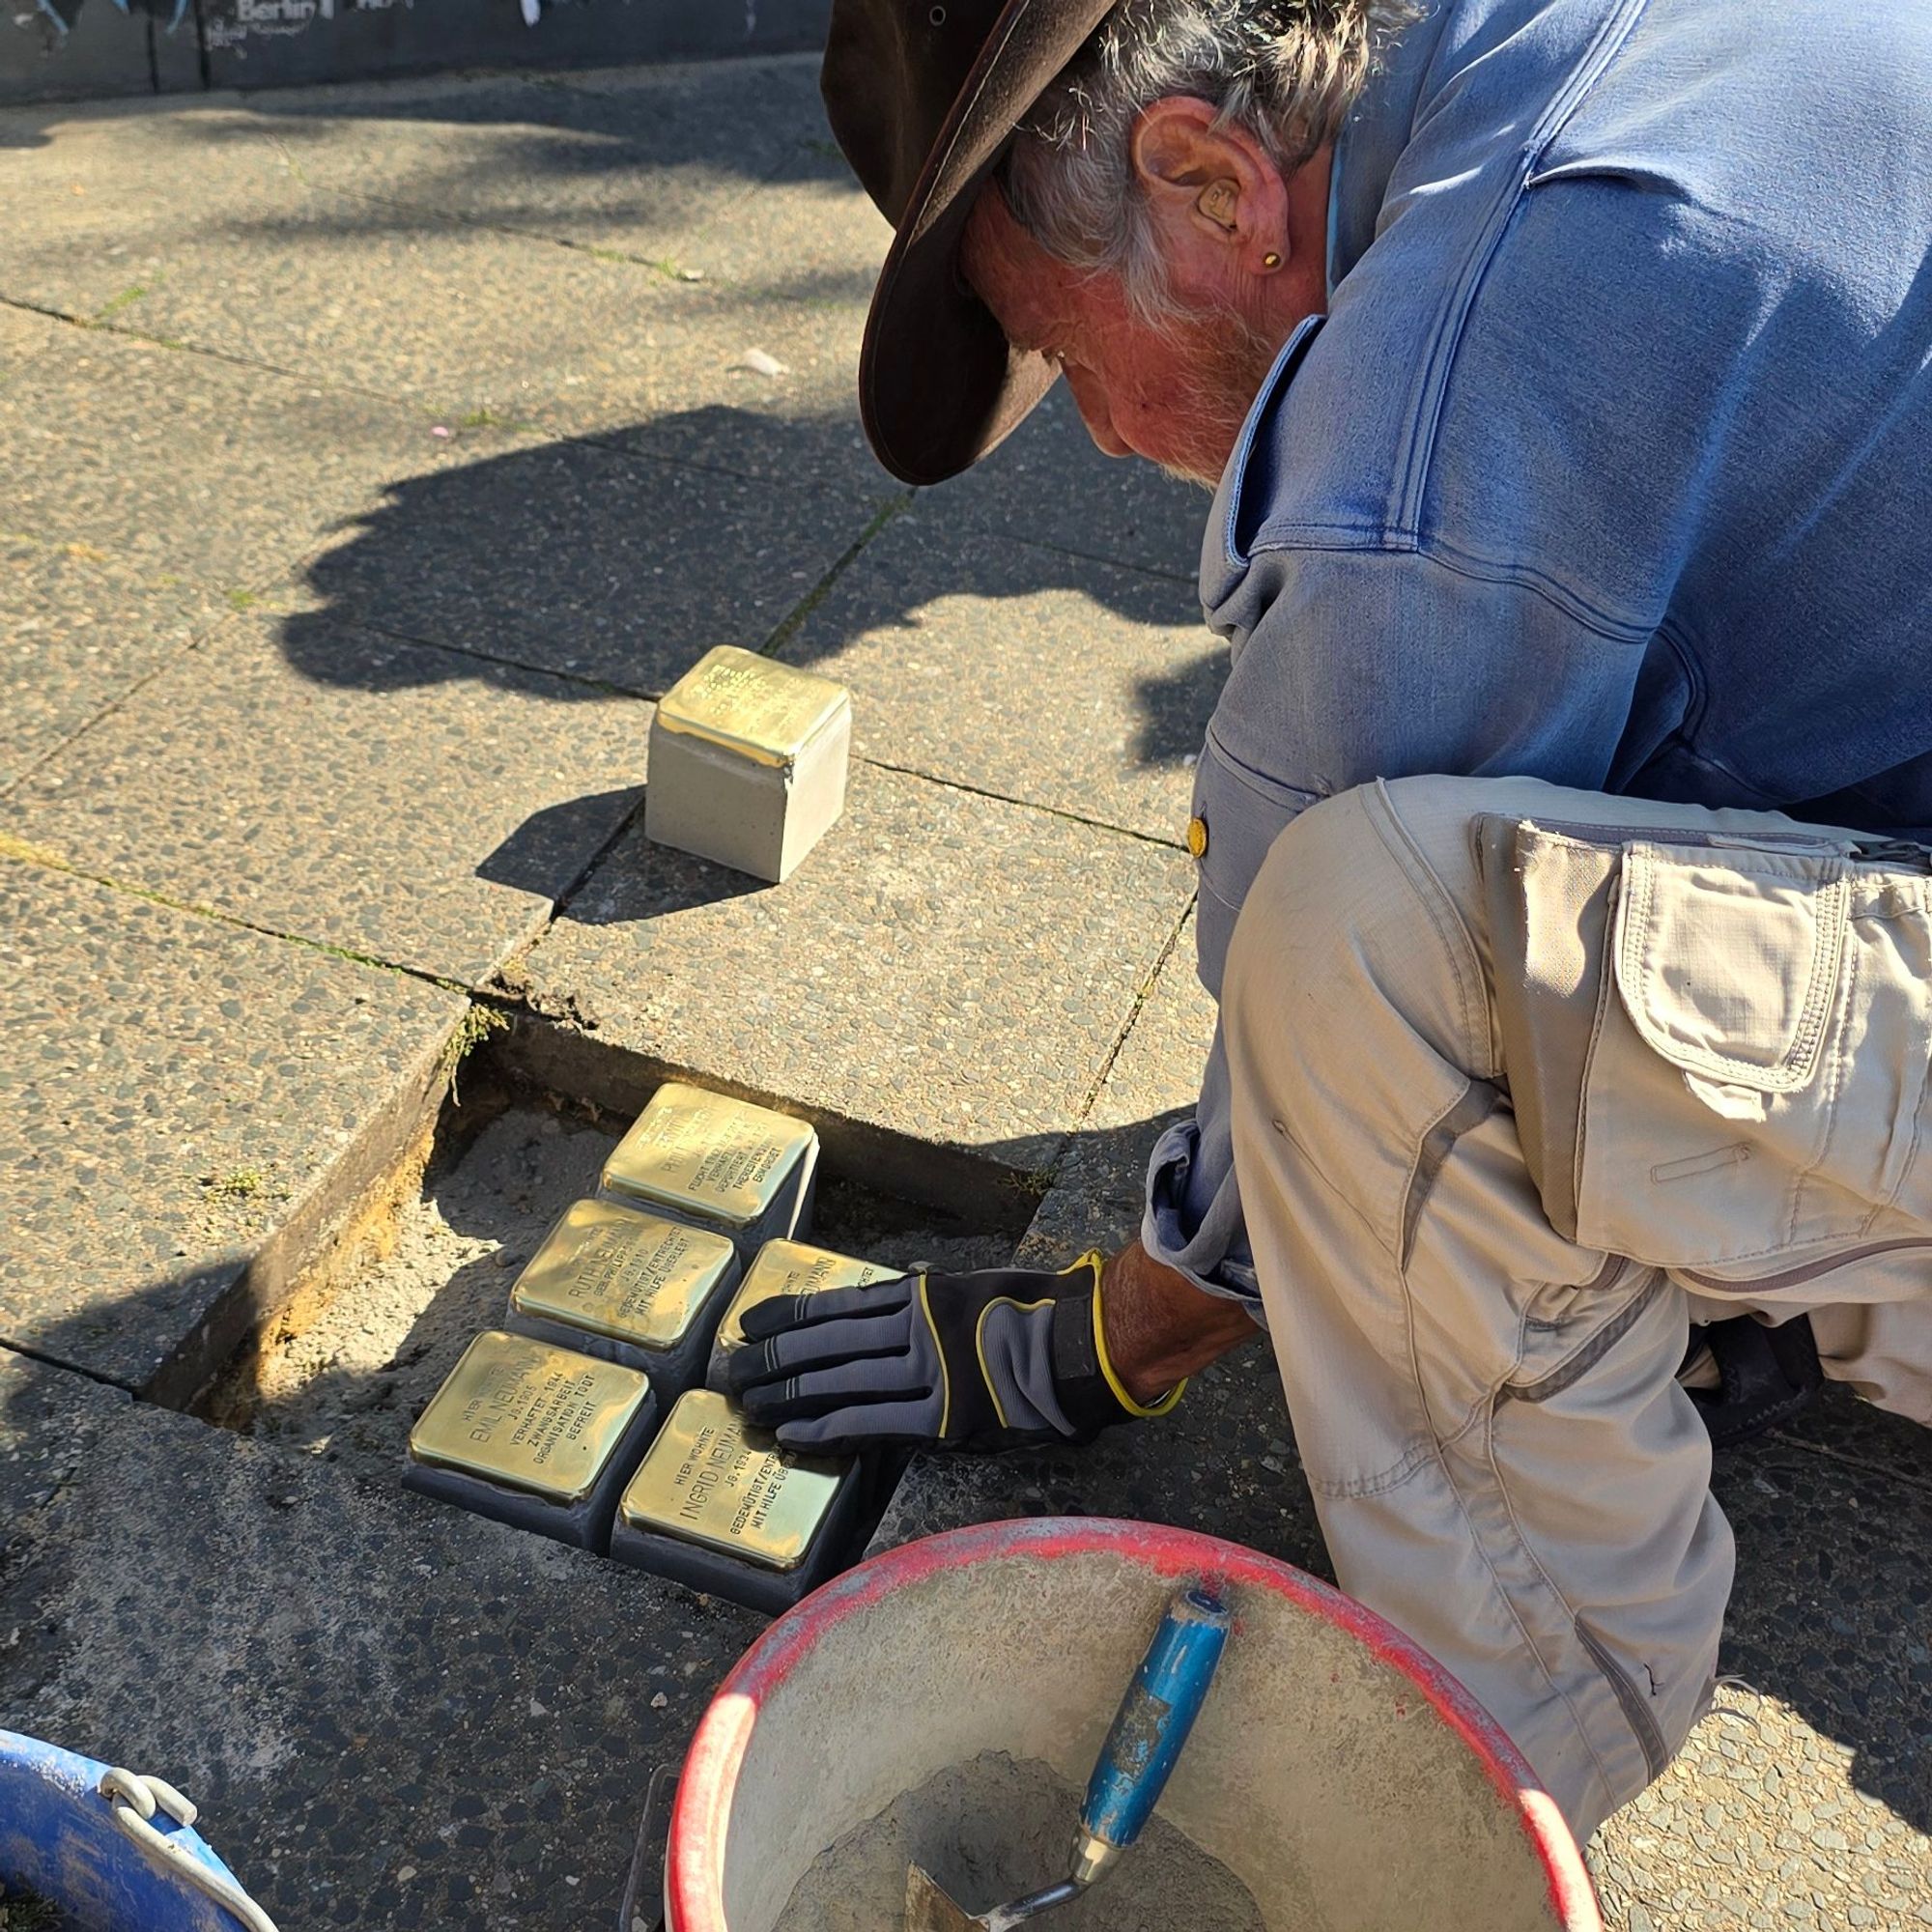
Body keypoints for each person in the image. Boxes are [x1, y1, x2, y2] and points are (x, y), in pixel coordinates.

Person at [726, 0, 1932, 1836]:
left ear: (1209, 182)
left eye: (1068, 350)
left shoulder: (1463, 375)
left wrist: (1098, 1341)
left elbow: (1324, 1039)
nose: (1114, 442)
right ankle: (1762, 1275)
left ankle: (1489, 1790)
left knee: (1363, 940)